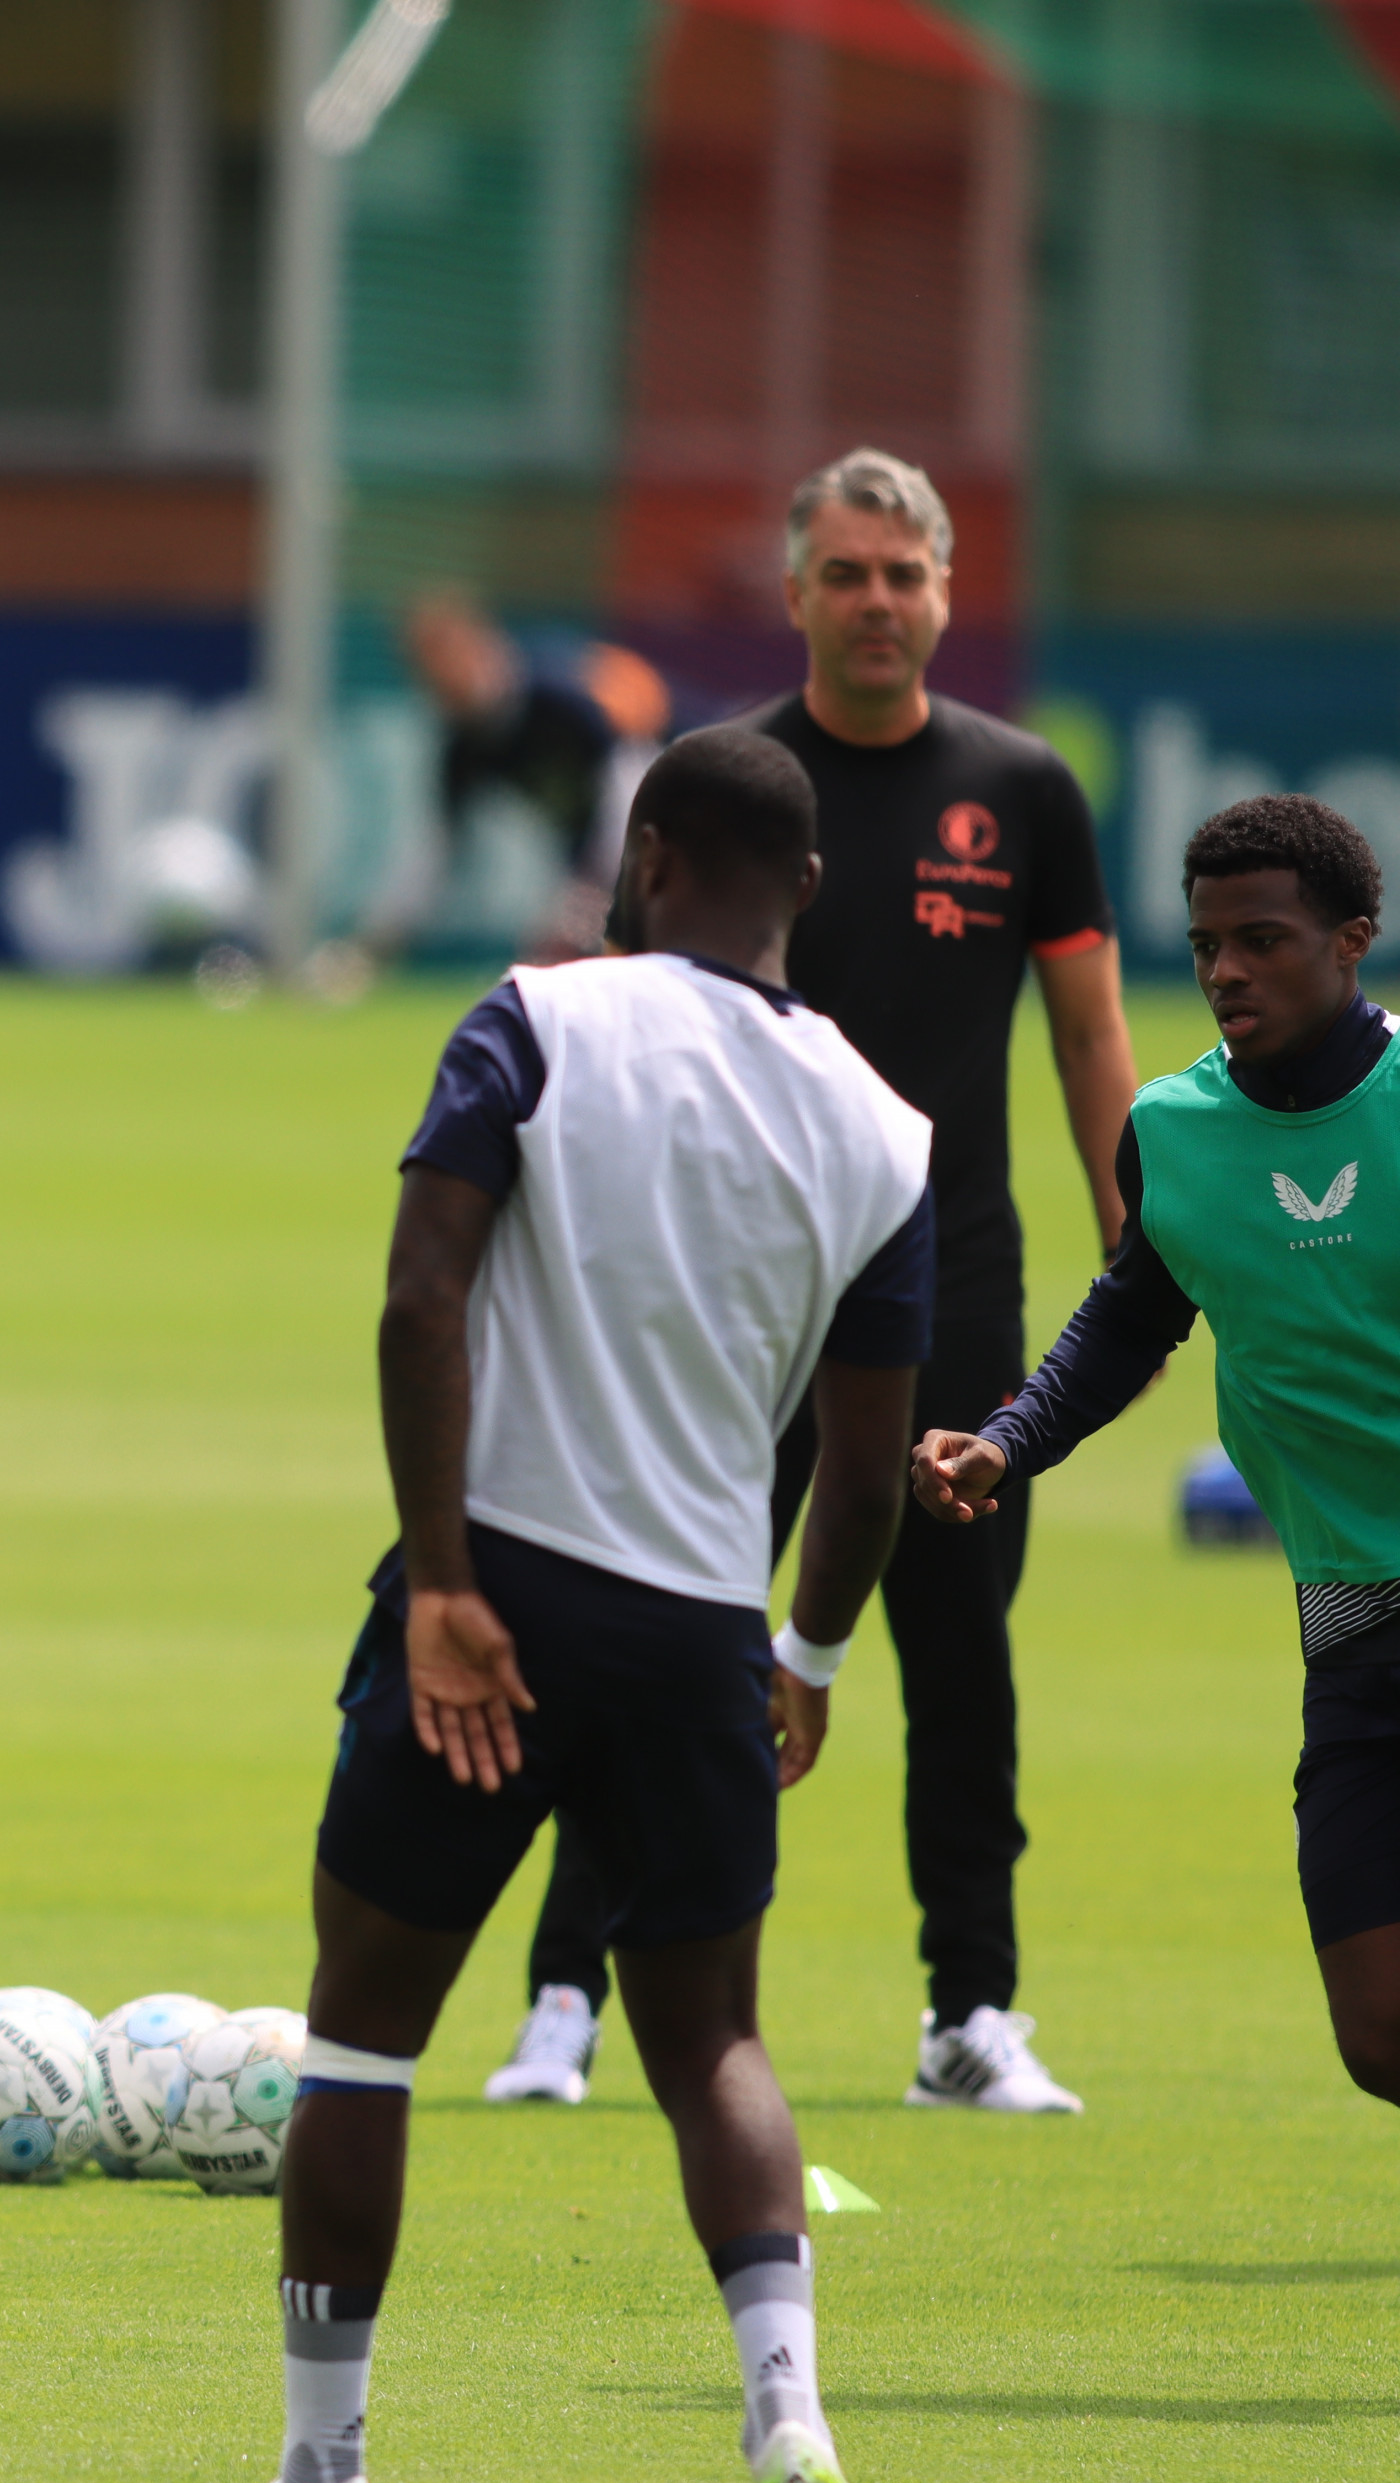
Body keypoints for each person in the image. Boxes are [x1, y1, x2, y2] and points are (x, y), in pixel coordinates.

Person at [174, 729, 922, 2483]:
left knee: (362, 2035)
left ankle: (324, 2482)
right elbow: (869, 1453)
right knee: (716, 2044)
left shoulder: (535, 1015)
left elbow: (421, 1298)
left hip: (496, 1602)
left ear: (643, 854)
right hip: (696, 1637)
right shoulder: (885, 1129)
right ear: (807, 891)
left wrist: (439, 1586)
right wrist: (806, 1658)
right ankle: (792, 2427)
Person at [490, 447, 1136, 2117]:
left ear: (943, 594)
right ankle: (563, 2000)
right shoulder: (720, 782)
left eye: (902, 574)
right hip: (727, 1300)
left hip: (957, 1293)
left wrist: (1145, 1239)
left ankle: (970, 2016)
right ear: (792, 595)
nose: (875, 602)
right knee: (656, 1635)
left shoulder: (1027, 792)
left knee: (961, 1657)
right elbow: (621, 1021)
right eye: (843, 574)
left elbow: (1085, 1034)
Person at [916, 795, 1400, 2121]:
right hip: (1353, 1623)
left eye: (1262, 940)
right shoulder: (1175, 1133)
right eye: (1203, 947)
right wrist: (1005, 1444)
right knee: (1377, 2034)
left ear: (1355, 939)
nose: (1227, 971)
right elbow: (1126, 1320)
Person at [393, 591, 669, 964]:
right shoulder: (466, 747)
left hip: (668, 832)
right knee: (554, 962)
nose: (442, 681)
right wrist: (384, 938)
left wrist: (605, 880)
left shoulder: (558, 694)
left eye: (447, 659)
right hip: (594, 862)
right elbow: (436, 854)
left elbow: (633, 783)